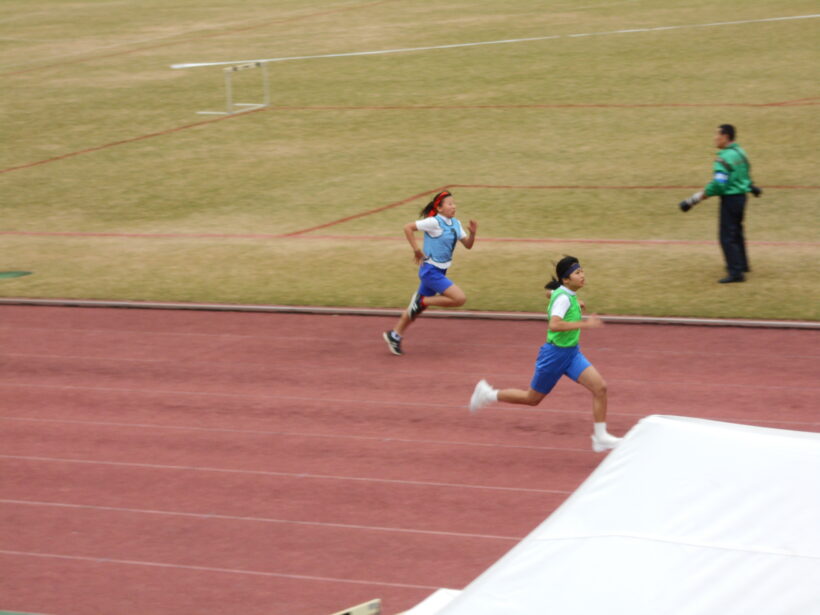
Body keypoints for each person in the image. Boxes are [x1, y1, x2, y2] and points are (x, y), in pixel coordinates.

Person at [469, 256, 622, 453]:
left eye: (582, 271)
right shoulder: (564, 298)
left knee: (600, 388)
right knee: (532, 399)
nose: (582, 275)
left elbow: (550, 292)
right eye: (577, 273)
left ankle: (600, 438)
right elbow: (555, 324)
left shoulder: (564, 293)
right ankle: (487, 394)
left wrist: (576, 302)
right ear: (566, 280)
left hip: (572, 354)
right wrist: (586, 324)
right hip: (554, 356)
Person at [383, 190, 477, 355]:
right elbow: (408, 228)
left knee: (415, 308)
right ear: (439, 208)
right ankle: (424, 301)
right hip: (430, 271)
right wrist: (416, 250)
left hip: (440, 271)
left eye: (454, 203)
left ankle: (394, 335)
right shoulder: (433, 222)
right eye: (449, 204)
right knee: (459, 298)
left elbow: (468, 245)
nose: (453, 206)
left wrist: (473, 233)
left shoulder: (456, 224)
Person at [678, 124, 763, 283]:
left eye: (717, 135)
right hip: (741, 198)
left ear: (725, 137)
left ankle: (736, 272)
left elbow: (719, 185)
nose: (715, 138)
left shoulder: (723, 158)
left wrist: (693, 200)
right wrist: (751, 187)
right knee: (737, 232)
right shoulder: (741, 152)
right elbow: (744, 174)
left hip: (730, 200)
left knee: (726, 237)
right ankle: (742, 264)